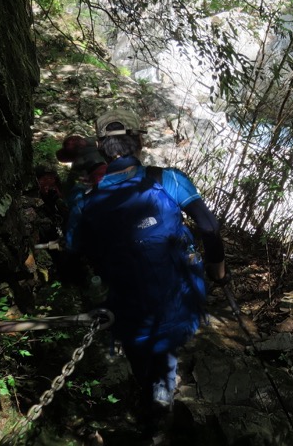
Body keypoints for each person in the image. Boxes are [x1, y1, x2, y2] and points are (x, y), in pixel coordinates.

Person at [66, 107, 227, 431]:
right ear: (138, 142)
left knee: (139, 343)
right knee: (165, 339)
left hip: (127, 304)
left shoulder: (84, 201)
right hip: (180, 298)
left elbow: (72, 254)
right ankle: (162, 393)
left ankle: (152, 394)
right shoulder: (168, 179)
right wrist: (217, 270)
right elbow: (209, 227)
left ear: (100, 148)